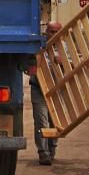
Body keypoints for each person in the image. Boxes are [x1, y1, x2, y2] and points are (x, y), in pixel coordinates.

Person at [28, 21, 63, 165]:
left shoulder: (65, 48)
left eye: (56, 32)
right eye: (51, 31)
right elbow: (28, 65)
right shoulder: (38, 47)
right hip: (38, 89)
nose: (53, 34)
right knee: (41, 121)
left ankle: (52, 149)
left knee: (55, 122)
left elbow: (75, 65)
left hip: (56, 89)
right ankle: (43, 153)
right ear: (46, 32)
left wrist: (63, 61)